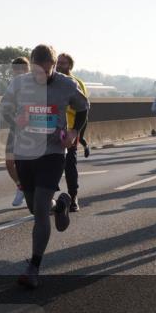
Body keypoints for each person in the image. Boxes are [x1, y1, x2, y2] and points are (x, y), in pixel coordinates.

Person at [1, 44, 89, 289]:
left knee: (39, 208)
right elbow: (4, 108)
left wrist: (74, 132)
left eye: (47, 72)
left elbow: (83, 108)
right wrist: (14, 119)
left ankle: (34, 267)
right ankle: (60, 204)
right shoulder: (19, 84)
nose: (42, 77)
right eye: (38, 73)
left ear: (53, 66)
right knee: (33, 206)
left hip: (52, 151)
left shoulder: (66, 85)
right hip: (25, 150)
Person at [56, 53, 90, 211]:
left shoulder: (76, 83)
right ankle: (47, 196)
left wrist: (78, 133)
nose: (59, 65)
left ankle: (73, 197)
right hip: (52, 130)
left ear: (70, 66)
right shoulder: (51, 81)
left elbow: (84, 109)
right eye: (57, 62)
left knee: (70, 165)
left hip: (69, 130)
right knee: (51, 164)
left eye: (63, 63)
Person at [6, 57, 31, 207]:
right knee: (9, 163)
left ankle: (35, 192)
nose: (18, 72)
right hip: (15, 128)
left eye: (21, 69)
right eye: (16, 69)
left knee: (29, 164)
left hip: (33, 131)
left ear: (28, 69)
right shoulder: (13, 85)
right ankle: (21, 186)